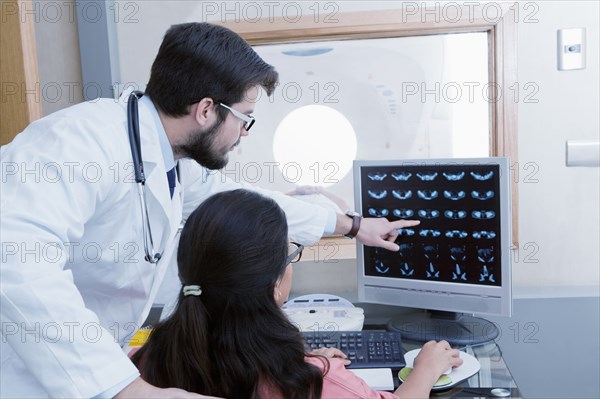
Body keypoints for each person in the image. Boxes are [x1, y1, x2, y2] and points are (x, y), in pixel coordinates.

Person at [0, 22, 419, 398]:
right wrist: (126, 389)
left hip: (98, 361)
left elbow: (247, 202)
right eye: (245, 118)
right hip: (27, 373)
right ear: (205, 110)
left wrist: (350, 225)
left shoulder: (171, 159)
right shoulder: (76, 145)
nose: (243, 133)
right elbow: (15, 260)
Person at [130, 189, 462, 398]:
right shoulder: (311, 384)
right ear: (275, 285)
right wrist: (425, 370)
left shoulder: (140, 364)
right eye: (290, 255)